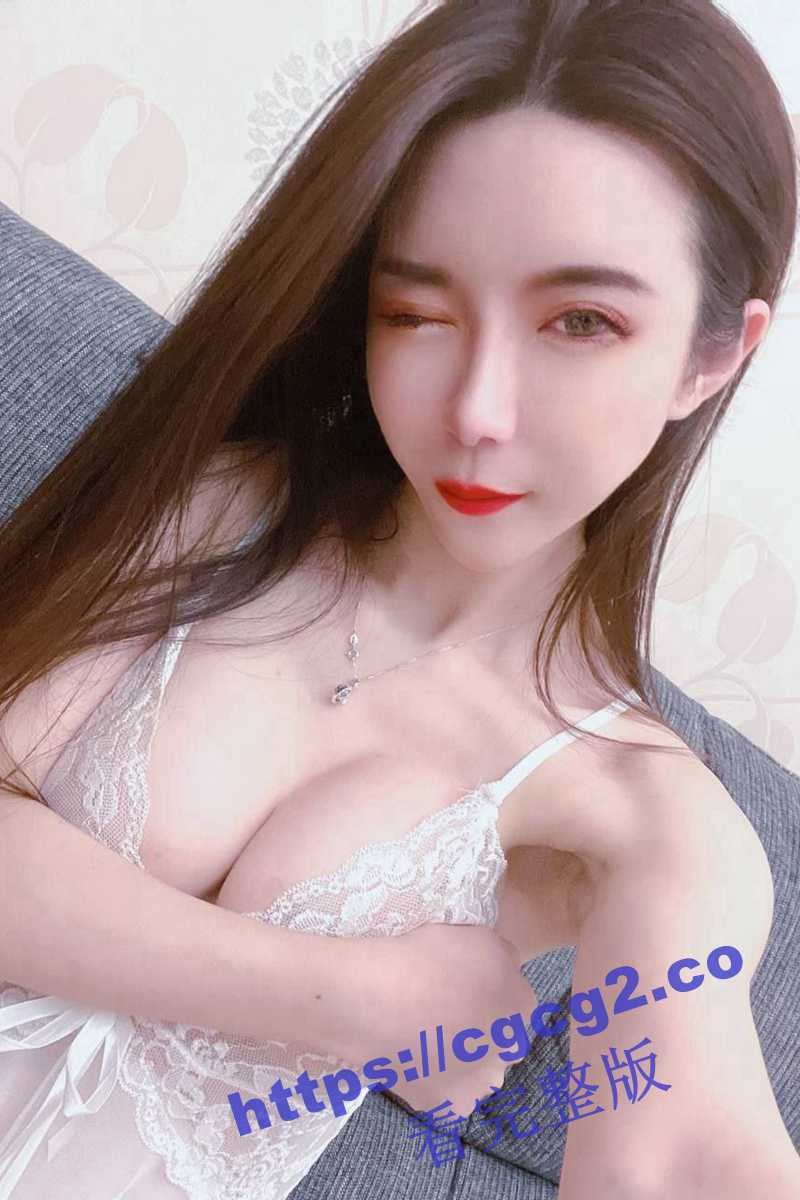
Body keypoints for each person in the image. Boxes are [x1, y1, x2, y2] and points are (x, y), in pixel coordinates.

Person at [0, 0, 798, 1196]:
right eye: (417, 313)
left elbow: (687, 1148)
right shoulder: (218, 503)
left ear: (709, 355)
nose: (475, 408)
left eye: (580, 322)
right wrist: (354, 999)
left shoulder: (644, 820)